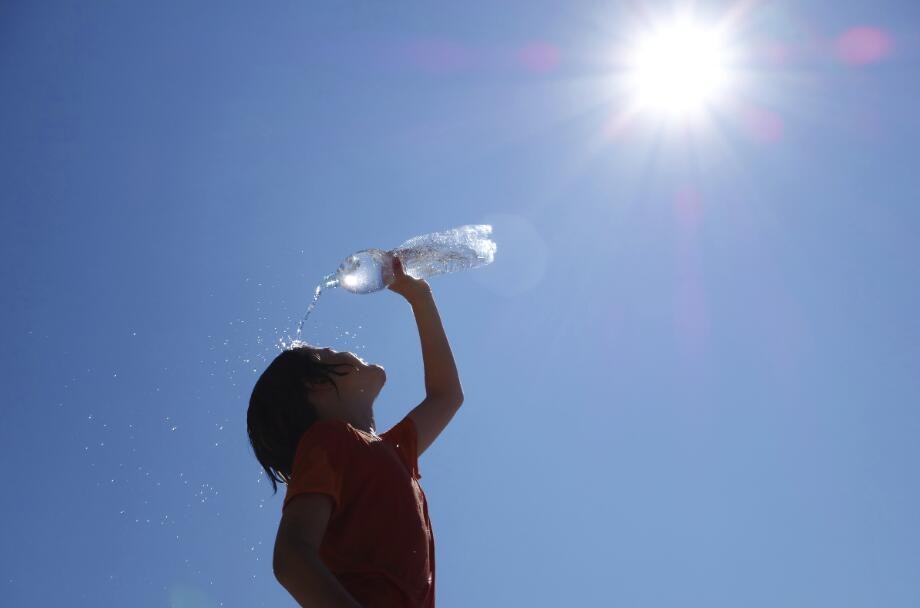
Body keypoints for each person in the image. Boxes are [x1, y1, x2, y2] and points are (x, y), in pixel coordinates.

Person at [247, 256, 464, 607]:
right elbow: (290, 557)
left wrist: (420, 297)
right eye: (329, 352)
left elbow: (447, 396)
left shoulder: (395, 452)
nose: (344, 349)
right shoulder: (329, 442)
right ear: (315, 385)